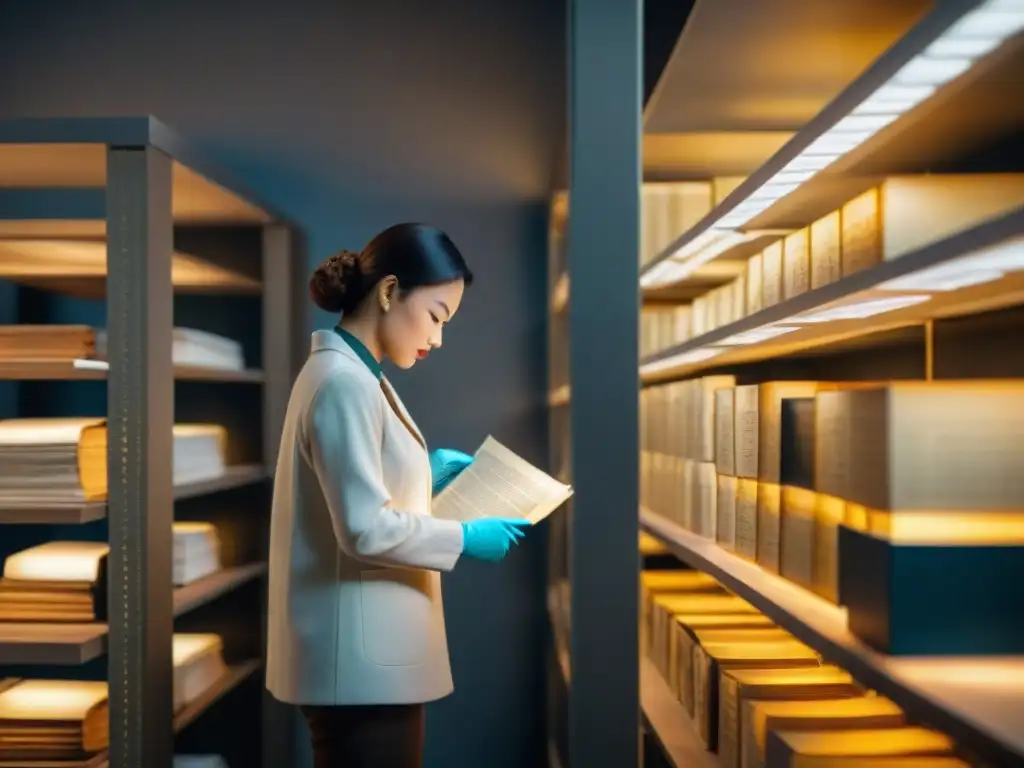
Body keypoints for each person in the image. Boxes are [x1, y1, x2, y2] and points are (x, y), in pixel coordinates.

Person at [265, 222, 530, 768]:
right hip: (360, 669)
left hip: (368, 664)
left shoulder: (357, 374)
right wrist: (464, 536)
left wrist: (422, 477)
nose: (437, 339)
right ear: (389, 292)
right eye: (436, 316)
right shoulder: (343, 382)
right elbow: (363, 527)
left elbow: (347, 488)